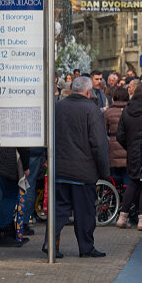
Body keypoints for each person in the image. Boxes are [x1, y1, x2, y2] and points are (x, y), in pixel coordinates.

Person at [46, 76, 110, 259]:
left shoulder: (58, 107)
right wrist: (104, 171)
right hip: (83, 172)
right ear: (89, 92)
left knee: (59, 209)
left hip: (60, 168)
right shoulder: (92, 110)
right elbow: (99, 144)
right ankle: (86, 247)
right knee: (85, 212)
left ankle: (49, 243)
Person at [116, 82, 142, 230]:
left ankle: (123, 217)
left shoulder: (127, 109)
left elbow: (120, 134)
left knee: (133, 182)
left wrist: (130, 146)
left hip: (132, 150)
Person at [103, 86, 128, 185]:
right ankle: (127, 197)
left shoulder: (108, 112)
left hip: (113, 146)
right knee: (127, 178)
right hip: (127, 146)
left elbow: (104, 130)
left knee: (115, 177)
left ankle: (116, 196)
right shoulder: (130, 111)